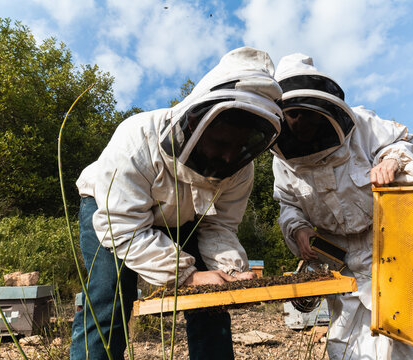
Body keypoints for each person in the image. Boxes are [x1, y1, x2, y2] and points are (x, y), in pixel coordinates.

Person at [69, 46, 284, 360]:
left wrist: (230, 272)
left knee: (213, 299)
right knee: (109, 297)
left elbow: (219, 226)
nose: (228, 156)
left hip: (182, 218)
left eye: (239, 146)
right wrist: (187, 275)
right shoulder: (137, 137)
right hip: (111, 212)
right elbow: (124, 227)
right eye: (222, 142)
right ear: (195, 123)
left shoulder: (241, 170)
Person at [270, 53, 413, 359]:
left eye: (308, 113)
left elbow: (404, 141)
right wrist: (299, 229)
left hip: (388, 245)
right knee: (346, 346)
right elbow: (288, 205)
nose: (302, 121)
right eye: (294, 115)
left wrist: (392, 160)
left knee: (409, 341)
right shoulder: (283, 161)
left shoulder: (362, 124)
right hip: (339, 262)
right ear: (282, 115)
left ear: (323, 108)